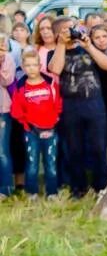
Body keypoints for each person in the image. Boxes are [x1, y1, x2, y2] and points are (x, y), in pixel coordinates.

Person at [48, 19, 107, 198]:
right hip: (70, 105)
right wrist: (61, 44)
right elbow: (55, 69)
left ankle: (101, 186)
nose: (72, 31)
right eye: (67, 29)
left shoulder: (89, 47)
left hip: (94, 103)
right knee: (74, 148)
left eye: (74, 27)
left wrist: (88, 46)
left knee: (98, 147)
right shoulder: (53, 53)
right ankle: (78, 187)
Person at [12, 48, 63, 198]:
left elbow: (58, 103)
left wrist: (55, 119)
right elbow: (16, 109)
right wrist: (26, 124)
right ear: (22, 67)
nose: (31, 68)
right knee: (32, 164)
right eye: (28, 65)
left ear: (40, 65)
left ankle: (52, 192)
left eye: (34, 65)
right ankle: (32, 193)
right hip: (31, 131)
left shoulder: (50, 83)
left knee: (51, 163)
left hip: (50, 129)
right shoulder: (21, 86)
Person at [0, 37, 13, 198]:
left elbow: (7, 80)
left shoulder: (7, 57)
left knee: (1, 151)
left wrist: (1, 60)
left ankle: (5, 189)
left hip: (2, 109)